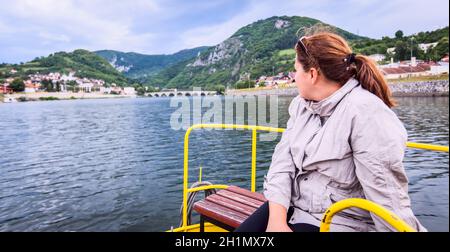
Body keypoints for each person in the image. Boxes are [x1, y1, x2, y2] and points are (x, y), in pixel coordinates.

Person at [235, 32, 426, 232]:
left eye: (295, 70)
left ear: (312, 74)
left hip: (339, 222)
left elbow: (387, 197)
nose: (293, 78)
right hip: (293, 207)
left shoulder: (366, 114)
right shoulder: (301, 106)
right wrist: (276, 221)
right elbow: (282, 163)